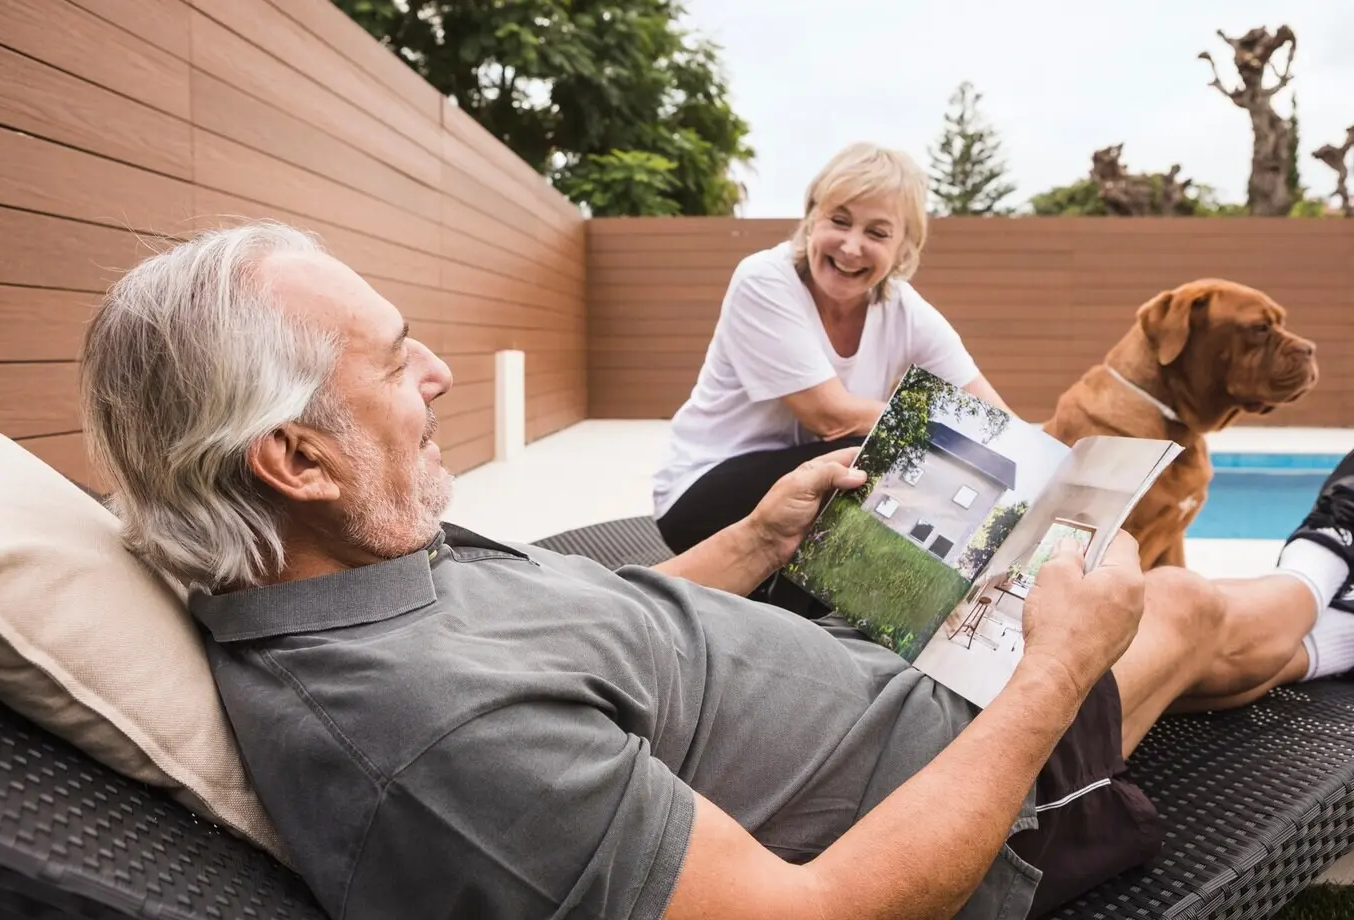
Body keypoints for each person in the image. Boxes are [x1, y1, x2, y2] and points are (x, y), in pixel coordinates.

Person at [79, 222, 1354, 920]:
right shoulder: (428, 737)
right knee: (1173, 602)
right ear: (296, 458)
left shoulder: (356, 555)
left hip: (889, 683)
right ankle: (1330, 579)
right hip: (974, 798)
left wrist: (758, 538)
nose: (441, 376)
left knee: (1107, 589)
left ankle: (1318, 589)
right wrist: (1056, 667)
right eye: (396, 362)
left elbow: (604, 644)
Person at [653, 141, 1007, 557]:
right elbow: (830, 417)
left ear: (902, 249)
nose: (852, 246)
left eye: (877, 232)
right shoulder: (764, 280)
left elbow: (998, 425)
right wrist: (945, 438)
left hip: (802, 488)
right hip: (702, 492)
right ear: (811, 219)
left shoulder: (905, 310)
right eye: (839, 221)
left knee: (898, 454)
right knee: (876, 449)